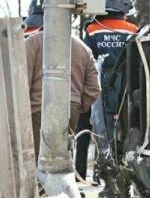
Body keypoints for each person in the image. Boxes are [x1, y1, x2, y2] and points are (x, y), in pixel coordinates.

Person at [80, 0, 137, 180]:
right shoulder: (131, 29)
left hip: (99, 82)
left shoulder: (92, 29)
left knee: (101, 127)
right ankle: (124, 169)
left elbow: (86, 58)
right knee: (128, 126)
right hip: (126, 83)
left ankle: (103, 172)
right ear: (122, 10)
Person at [25, 21, 101, 162]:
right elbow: (94, 87)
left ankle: (42, 184)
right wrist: (79, 105)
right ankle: (60, 183)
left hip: (38, 106)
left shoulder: (32, 42)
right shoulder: (82, 47)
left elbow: (22, 79)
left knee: (40, 158)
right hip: (70, 106)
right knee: (62, 157)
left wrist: (23, 109)